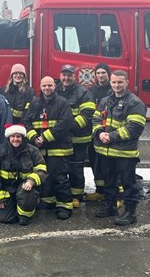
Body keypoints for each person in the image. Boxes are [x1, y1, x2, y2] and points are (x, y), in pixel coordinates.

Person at [93, 70, 147, 226]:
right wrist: (99, 133)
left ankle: (130, 213)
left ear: (127, 82)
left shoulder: (135, 103)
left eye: (120, 82)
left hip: (125, 153)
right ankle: (110, 207)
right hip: (105, 151)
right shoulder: (105, 101)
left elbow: (134, 128)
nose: (116, 85)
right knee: (109, 181)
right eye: (114, 82)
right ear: (110, 82)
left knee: (128, 184)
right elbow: (95, 119)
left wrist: (110, 136)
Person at [23, 76, 74, 220]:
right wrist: (33, 138)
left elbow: (65, 124)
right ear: (40, 86)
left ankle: (64, 207)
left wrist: (44, 138)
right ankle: (48, 202)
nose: (47, 88)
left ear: (54, 86)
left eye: (50, 85)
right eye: (44, 85)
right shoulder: (34, 102)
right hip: (40, 149)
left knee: (60, 178)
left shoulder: (62, 103)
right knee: (45, 177)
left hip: (58, 148)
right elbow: (26, 122)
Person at [0, 124, 48, 225]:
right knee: (5, 218)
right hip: (6, 188)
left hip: (25, 187)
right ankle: (14, 206)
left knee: (27, 192)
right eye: (13, 136)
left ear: (23, 137)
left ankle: (25, 215)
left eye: (18, 136)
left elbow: (42, 169)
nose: (15, 139)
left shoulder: (32, 151)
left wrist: (31, 181)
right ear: (8, 137)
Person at [56, 64, 95, 208]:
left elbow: (87, 115)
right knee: (60, 168)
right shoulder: (56, 90)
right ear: (60, 76)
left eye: (69, 75)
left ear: (74, 76)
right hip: (61, 138)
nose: (66, 78)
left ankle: (76, 196)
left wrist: (68, 127)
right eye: (64, 75)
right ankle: (62, 195)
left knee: (76, 168)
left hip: (78, 139)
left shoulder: (83, 92)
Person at [86, 63, 112, 201]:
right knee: (95, 161)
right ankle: (100, 191)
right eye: (98, 73)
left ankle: (113, 194)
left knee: (109, 164)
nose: (100, 76)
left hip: (108, 132)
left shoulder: (113, 89)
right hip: (95, 132)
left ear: (108, 74)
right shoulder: (92, 90)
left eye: (103, 73)